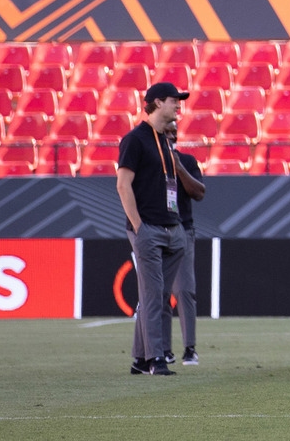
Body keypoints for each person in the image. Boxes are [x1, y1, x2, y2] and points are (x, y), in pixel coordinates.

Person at [117, 81, 202, 376]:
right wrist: (138, 226)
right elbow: (122, 184)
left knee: (158, 297)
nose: (178, 105)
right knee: (154, 296)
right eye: (173, 100)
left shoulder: (165, 142)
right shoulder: (135, 139)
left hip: (172, 229)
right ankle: (156, 359)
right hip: (149, 229)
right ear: (155, 103)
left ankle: (141, 359)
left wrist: (175, 226)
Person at [164, 121, 205, 368]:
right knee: (157, 293)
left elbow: (199, 193)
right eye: (166, 133)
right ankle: (162, 348)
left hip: (182, 228)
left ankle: (190, 348)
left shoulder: (187, 162)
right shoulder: (150, 162)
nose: (170, 138)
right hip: (156, 228)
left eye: (173, 134)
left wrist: (177, 167)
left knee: (185, 290)